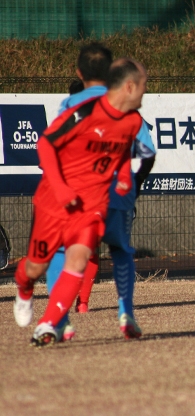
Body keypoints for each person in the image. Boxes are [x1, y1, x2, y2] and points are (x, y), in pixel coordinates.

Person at [13, 58, 148, 347]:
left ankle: (50, 323)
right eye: (144, 86)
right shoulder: (83, 111)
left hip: (93, 205)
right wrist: (61, 189)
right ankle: (24, 288)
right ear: (128, 86)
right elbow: (46, 144)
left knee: (79, 257)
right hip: (56, 201)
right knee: (35, 268)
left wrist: (124, 176)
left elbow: (125, 150)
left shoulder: (134, 120)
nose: (145, 92)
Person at [45, 45, 156, 343]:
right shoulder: (125, 106)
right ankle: (125, 311)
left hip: (78, 195)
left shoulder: (70, 104)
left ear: (79, 73)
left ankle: (60, 318)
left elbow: (54, 145)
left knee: (61, 252)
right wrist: (135, 184)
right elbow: (147, 153)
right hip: (117, 196)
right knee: (120, 251)